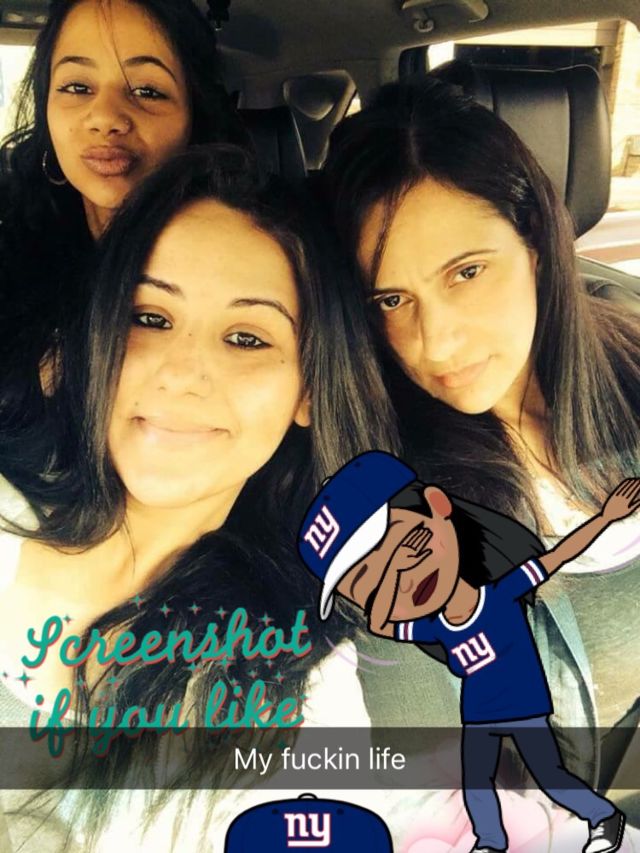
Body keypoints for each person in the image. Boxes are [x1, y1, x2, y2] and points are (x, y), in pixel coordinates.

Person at [0, 144, 398, 850]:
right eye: (150, 317)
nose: (182, 373)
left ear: (308, 390)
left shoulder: (299, 688)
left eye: (246, 337)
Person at [320, 76, 640, 816]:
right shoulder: (394, 497)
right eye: (391, 299)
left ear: (537, 244)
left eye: (466, 272)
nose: (436, 343)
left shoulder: (629, 362)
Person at [298, 450, 640, 853]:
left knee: (551, 777)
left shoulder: (499, 595)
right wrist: (398, 563)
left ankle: (602, 818)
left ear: (437, 506)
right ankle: (490, 841)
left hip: (526, 708)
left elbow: (558, 556)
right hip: (479, 716)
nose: (405, 581)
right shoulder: (431, 627)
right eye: (373, 585)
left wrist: (606, 517)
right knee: (477, 785)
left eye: (406, 543)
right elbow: (380, 622)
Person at [0, 0, 246, 477]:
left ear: (194, 113)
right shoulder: (13, 251)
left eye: (147, 91)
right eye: (76, 87)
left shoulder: (246, 267)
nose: (105, 117)